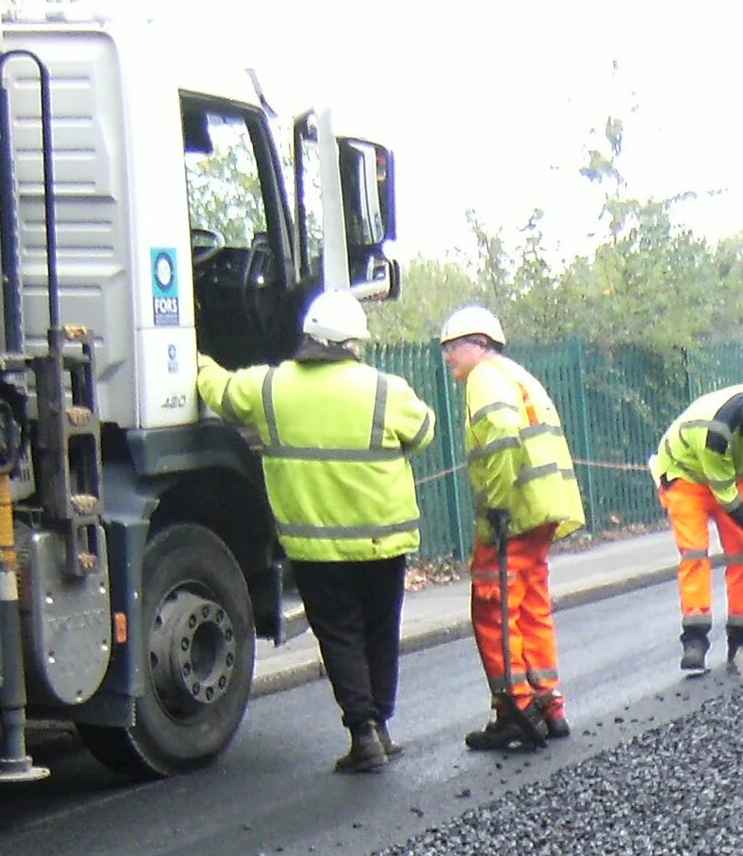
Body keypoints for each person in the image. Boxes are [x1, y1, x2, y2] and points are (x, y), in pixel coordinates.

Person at [194, 289, 433, 771]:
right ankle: (381, 728)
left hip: (317, 545)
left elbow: (217, 389)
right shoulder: (386, 389)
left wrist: (192, 353)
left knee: (340, 634)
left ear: (309, 338)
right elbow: (423, 432)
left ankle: (362, 732)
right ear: (354, 343)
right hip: (382, 540)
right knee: (380, 630)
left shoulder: (270, 387)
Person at [440, 305, 587, 751]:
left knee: (494, 607)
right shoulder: (517, 375)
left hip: (515, 512)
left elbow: (503, 435)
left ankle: (516, 709)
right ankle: (549, 704)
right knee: (530, 605)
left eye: (452, 348)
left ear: (478, 344)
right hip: (543, 509)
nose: (448, 358)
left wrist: (496, 506)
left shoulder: (485, 379)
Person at [652, 374, 743, 673]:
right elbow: (727, 496)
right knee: (695, 552)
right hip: (684, 474)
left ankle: (742, 642)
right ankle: (695, 640)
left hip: (729, 473)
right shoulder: (717, 428)